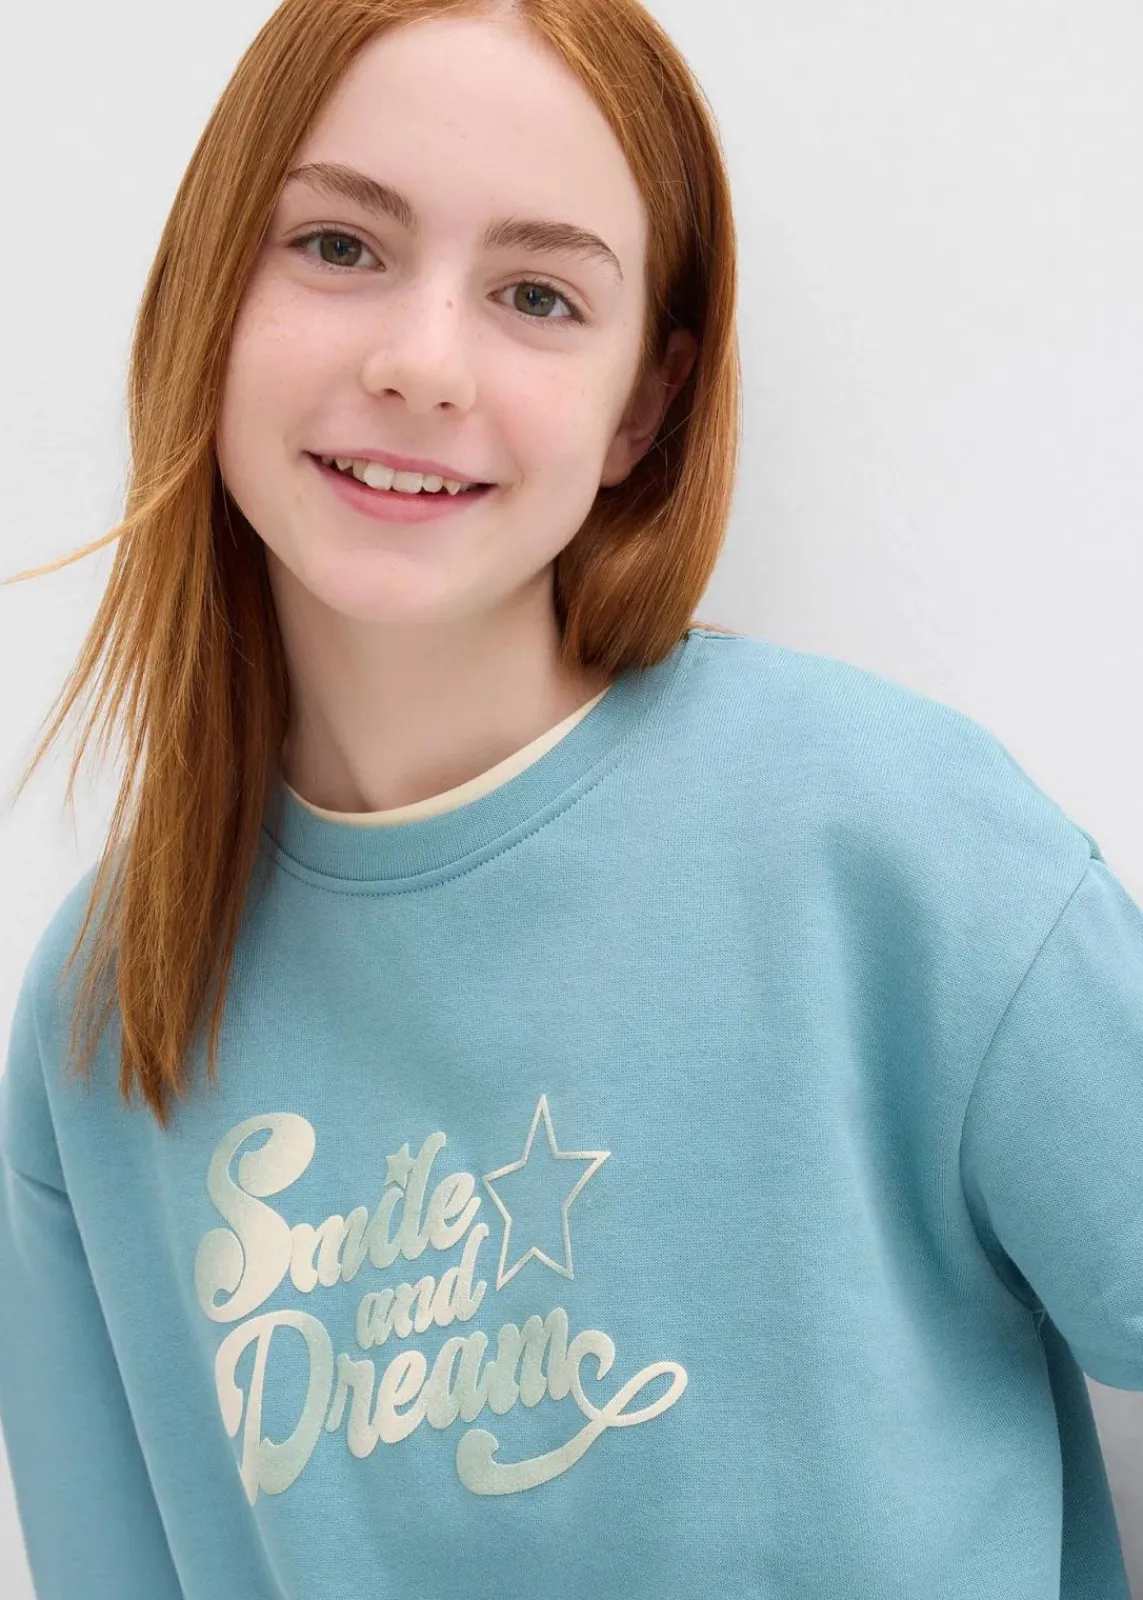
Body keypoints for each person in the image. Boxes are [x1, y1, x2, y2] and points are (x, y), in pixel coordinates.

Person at [1, 2, 1142, 1597]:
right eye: (336, 246)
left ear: (642, 408)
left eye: (536, 294)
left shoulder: (894, 843)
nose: (419, 363)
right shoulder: (103, 1013)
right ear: (208, 293)